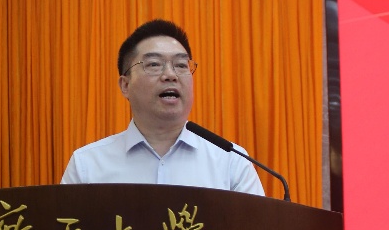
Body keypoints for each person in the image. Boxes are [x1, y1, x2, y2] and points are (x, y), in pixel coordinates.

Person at [61, 19, 265, 195]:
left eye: (181, 65)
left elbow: (257, 229)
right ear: (125, 85)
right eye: (154, 64)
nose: (170, 75)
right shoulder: (87, 165)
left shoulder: (231, 162)